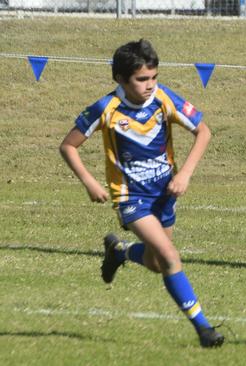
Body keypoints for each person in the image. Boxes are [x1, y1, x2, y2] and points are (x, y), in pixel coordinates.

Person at [59, 39, 224, 348]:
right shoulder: (105, 108)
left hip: (164, 193)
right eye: (141, 79)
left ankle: (120, 252)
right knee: (170, 257)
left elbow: (204, 131)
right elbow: (68, 146)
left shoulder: (163, 99)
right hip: (130, 198)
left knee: (156, 262)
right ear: (121, 79)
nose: (149, 85)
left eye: (153, 77)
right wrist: (90, 182)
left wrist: (185, 173)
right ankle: (204, 329)